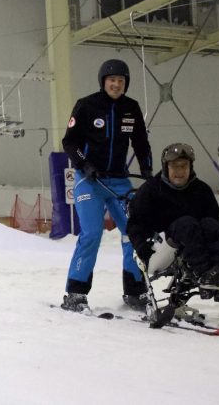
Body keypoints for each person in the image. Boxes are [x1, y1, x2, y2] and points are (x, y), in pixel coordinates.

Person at [60, 59, 154, 313]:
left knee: (134, 233)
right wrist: (84, 164)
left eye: (121, 81)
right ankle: (76, 292)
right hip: (89, 180)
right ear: (103, 81)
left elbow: (141, 142)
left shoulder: (130, 108)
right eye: (112, 80)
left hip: (119, 181)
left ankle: (135, 290)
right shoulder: (87, 105)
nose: (116, 84)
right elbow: (69, 142)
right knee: (91, 234)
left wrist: (147, 168)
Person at [126, 143, 219, 299]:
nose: (180, 172)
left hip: (191, 249)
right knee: (186, 223)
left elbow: (213, 230)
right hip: (158, 251)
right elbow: (135, 225)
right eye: (175, 166)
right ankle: (204, 275)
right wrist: (143, 249)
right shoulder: (151, 191)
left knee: (208, 223)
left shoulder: (201, 190)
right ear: (166, 167)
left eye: (184, 166)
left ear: (191, 167)